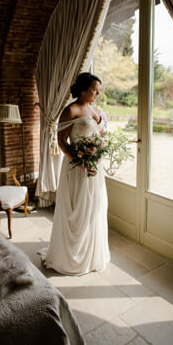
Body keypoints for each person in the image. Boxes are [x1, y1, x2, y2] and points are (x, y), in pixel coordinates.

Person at [40, 72, 111, 275]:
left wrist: (99, 152)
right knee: (77, 211)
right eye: (94, 89)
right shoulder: (70, 110)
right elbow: (62, 142)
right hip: (76, 168)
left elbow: (100, 135)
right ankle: (72, 257)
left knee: (94, 208)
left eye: (98, 89)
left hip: (95, 169)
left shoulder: (95, 109)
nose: (97, 92)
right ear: (82, 90)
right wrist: (80, 162)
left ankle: (91, 254)